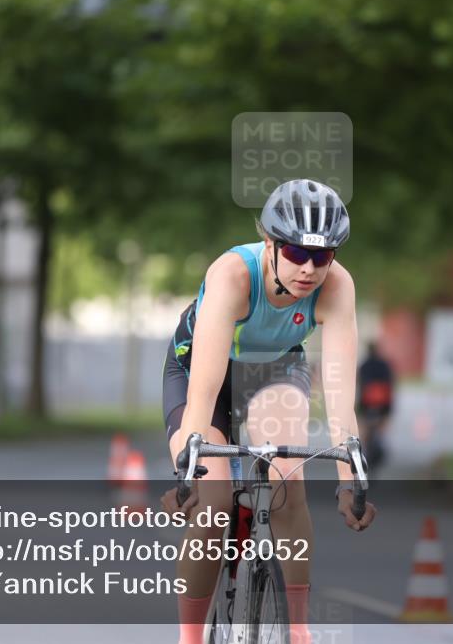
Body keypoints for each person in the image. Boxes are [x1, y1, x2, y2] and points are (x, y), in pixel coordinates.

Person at [159, 179, 376, 644]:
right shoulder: (233, 275)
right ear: (270, 243)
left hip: (275, 370)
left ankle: (296, 628)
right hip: (204, 372)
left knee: (287, 481)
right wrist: (187, 472)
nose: (309, 269)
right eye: (296, 253)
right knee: (213, 505)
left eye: (322, 256)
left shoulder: (337, 286)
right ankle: (189, 638)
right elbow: (205, 389)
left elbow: (340, 394)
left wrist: (348, 480)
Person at [356, 341, 394, 472]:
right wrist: (389, 406)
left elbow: (360, 385)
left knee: (365, 426)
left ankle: (365, 450)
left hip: (366, 402)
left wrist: (358, 406)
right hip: (383, 402)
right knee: (382, 425)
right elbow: (390, 385)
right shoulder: (385, 365)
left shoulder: (364, 365)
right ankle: (380, 441)